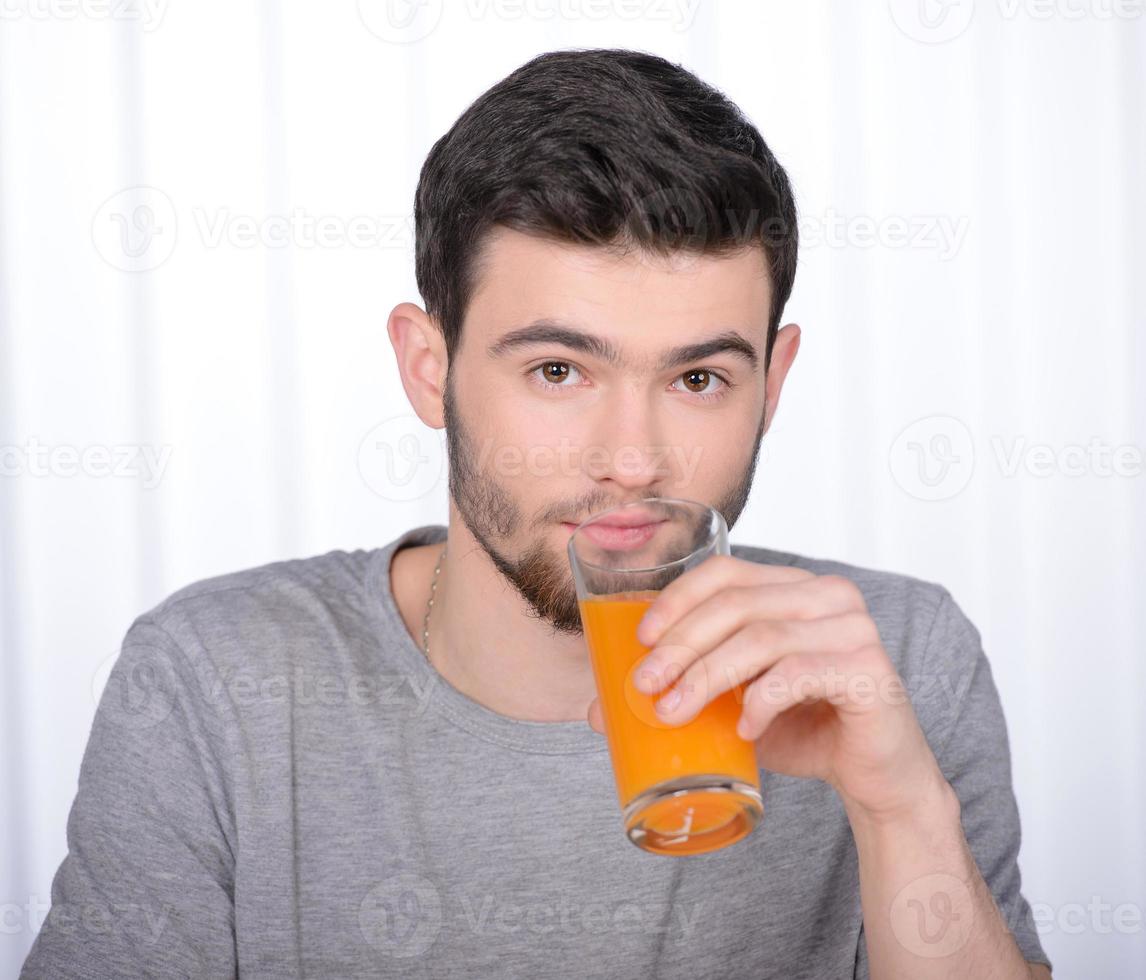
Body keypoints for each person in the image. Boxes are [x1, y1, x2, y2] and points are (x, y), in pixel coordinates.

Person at [22, 48, 1052, 978]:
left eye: (698, 378)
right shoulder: (215, 683)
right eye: (558, 369)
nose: (631, 460)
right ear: (429, 370)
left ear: (773, 383)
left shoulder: (893, 659)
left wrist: (899, 808)